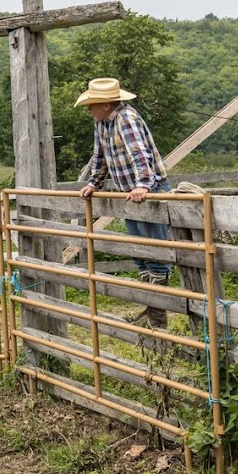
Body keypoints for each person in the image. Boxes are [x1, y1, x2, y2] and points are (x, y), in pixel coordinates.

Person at [76, 77, 172, 328]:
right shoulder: (103, 123)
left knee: (154, 254)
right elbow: (100, 157)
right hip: (130, 193)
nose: (89, 109)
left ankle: (158, 319)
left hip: (148, 191)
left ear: (106, 104)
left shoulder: (125, 119)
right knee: (139, 253)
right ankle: (151, 311)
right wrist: (93, 183)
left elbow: (140, 154)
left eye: (92, 103)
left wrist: (143, 185)